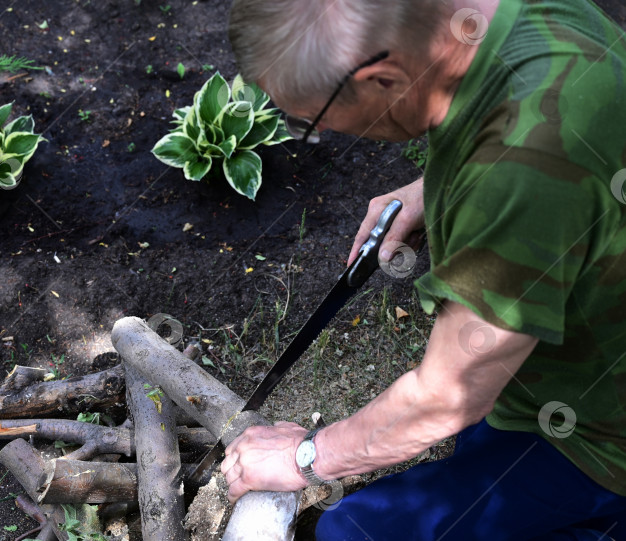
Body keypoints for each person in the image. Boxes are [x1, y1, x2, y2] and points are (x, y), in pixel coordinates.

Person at [221, 0, 626, 539]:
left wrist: (303, 457)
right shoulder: (500, 19)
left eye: (308, 121)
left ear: (383, 78)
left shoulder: (519, 174)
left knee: (350, 533)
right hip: (559, 356)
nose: (319, 133)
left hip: (599, 433)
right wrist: (435, 189)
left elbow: (445, 397)